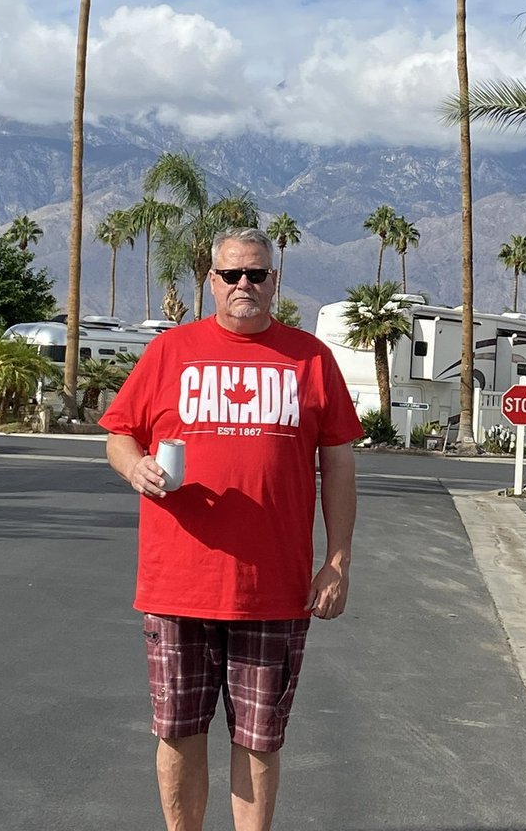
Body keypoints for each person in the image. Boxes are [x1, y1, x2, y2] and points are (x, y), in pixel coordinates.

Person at [102, 227, 361, 831]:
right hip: (178, 584)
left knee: (260, 739)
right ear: (211, 281)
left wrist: (338, 560)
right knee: (178, 732)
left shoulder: (311, 359)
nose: (245, 284)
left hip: (273, 588)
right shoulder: (170, 351)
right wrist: (133, 465)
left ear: (275, 281)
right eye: (231, 274)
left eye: (258, 274)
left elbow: (339, 462)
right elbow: (120, 433)